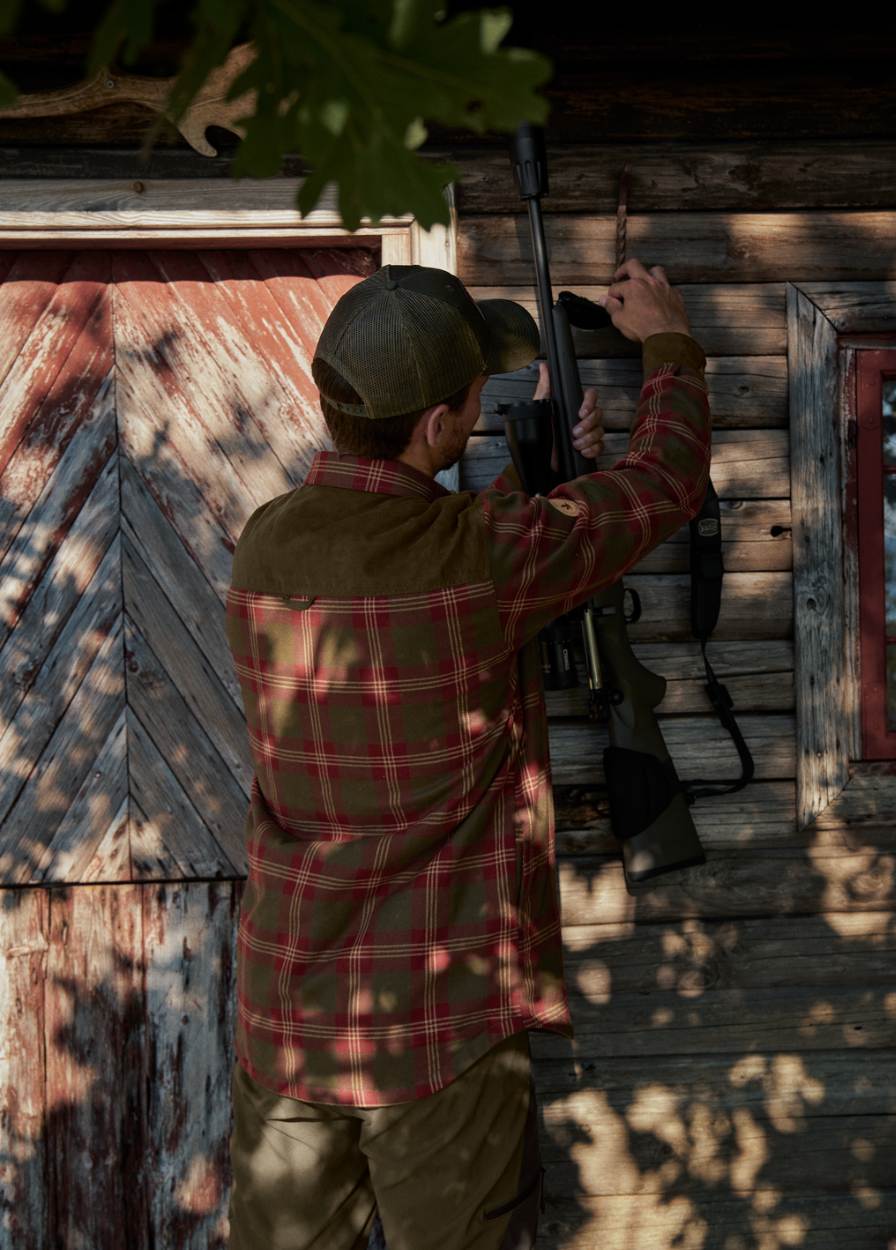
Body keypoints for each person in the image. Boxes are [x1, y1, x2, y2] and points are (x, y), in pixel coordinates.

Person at [225, 258, 711, 1250]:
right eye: (475, 401)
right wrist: (668, 342)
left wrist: (534, 477)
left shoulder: (264, 545)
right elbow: (662, 486)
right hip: (441, 1027)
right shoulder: (486, 557)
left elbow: (418, 588)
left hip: (289, 1012)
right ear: (441, 424)